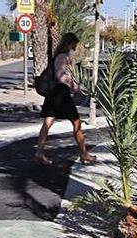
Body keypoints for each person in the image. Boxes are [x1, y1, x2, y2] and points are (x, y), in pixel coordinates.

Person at [35, 33, 95, 166]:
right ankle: (84, 154)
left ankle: (39, 152)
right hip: (61, 94)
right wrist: (76, 87)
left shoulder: (58, 56)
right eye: (74, 44)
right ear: (69, 43)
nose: (75, 46)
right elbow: (61, 76)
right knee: (77, 123)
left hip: (53, 94)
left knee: (48, 123)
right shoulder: (63, 57)